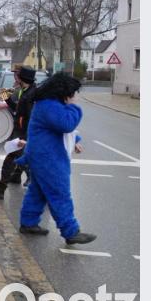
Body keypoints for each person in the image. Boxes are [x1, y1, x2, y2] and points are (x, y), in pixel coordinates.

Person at [14, 73, 96, 245]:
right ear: (64, 92)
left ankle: (28, 223)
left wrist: (76, 140)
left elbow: (58, 129)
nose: (74, 96)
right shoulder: (50, 106)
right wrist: (74, 107)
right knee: (60, 193)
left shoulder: (49, 104)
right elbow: (66, 124)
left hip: (41, 155)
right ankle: (71, 232)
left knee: (38, 191)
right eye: (73, 93)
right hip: (48, 158)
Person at [0, 66, 37, 200]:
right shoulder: (26, 90)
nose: (16, 77)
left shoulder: (30, 94)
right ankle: (20, 180)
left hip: (23, 132)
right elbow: (16, 107)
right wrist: (4, 98)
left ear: (22, 78)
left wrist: (25, 137)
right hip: (20, 130)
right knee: (19, 158)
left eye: (18, 75)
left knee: (11, 159)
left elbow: (31, 117)